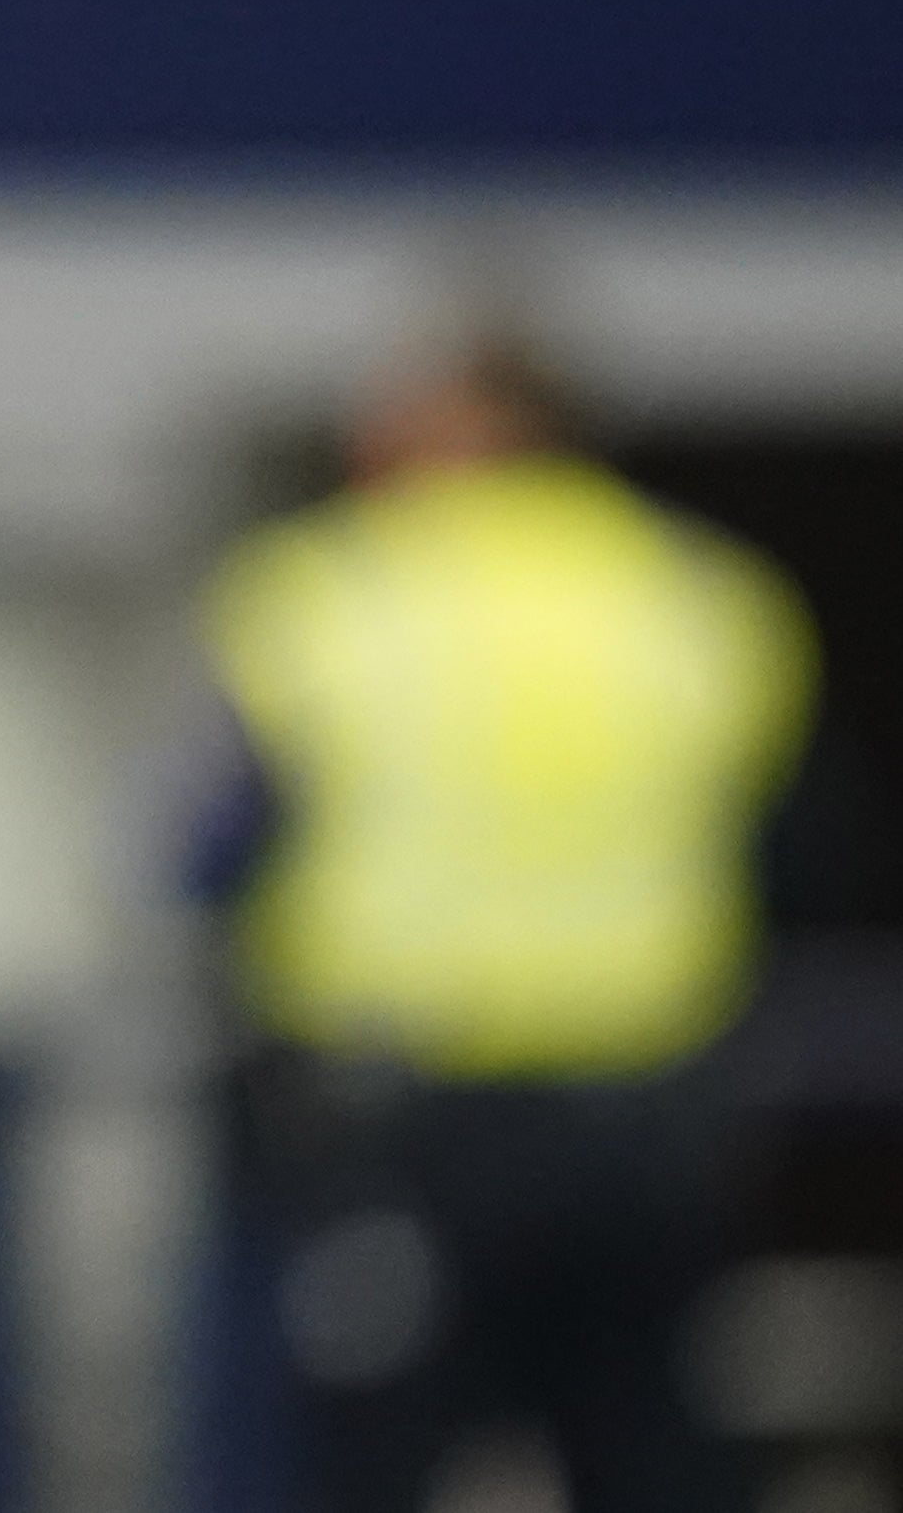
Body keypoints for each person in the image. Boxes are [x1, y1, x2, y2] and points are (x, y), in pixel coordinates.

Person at [189, 339, 815, 1513]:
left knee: (364, 1457)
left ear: (451, 433)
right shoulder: (700, 599)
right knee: (651, 1450)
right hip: (649, 1119)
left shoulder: (329, 594)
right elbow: (796, 844)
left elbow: (212, 850)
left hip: (403, 1109)